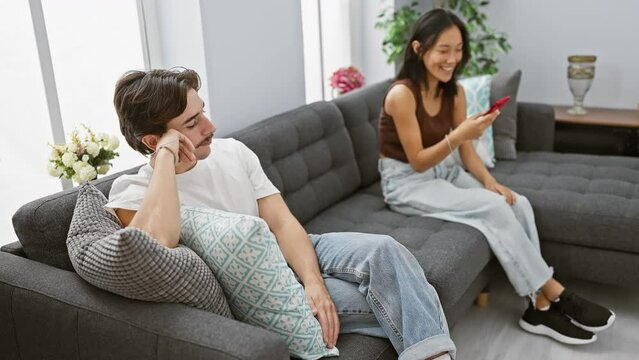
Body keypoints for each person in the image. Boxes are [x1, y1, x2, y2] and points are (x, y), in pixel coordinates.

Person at [106, 67, 456, 360]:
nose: (210, 126)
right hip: (261, 283)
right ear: (154, 140)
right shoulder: (133, 192)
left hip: (294, 246)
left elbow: (282, 221)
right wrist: (166, 159)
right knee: (411, 296)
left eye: (203, 111)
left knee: (386, 251)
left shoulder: (232, 151)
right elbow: (158, 242)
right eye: (193, 122)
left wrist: (314, 284)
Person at [378, 8, 615, 346]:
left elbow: (466, 153)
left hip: (445, 169)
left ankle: (539, 307)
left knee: (516, 203)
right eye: (443, 50)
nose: (452, 59)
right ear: (418, 49)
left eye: (458, 49)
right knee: (492, 210)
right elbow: (417, 161)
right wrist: (460, 134)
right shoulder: (401, 95)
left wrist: (491, 183)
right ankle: (553, 292)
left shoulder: (453, 92)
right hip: (407, 181)